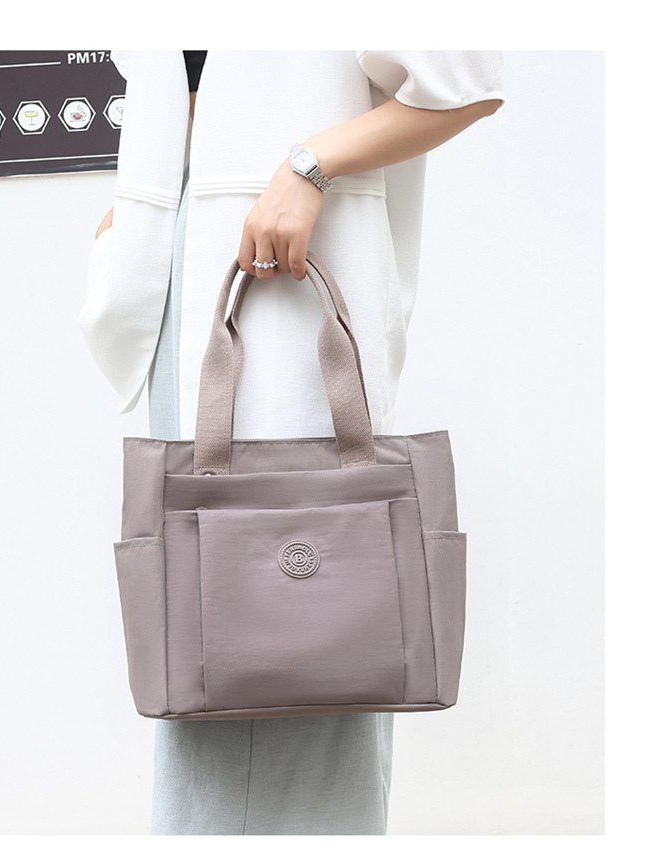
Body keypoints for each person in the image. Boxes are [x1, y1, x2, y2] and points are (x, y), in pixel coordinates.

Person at [80, 49, 504, 835]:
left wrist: (309, 167)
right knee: (212, 665)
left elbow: (467, 83)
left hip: (287, 290)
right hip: (192, 302)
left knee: (311, 646)